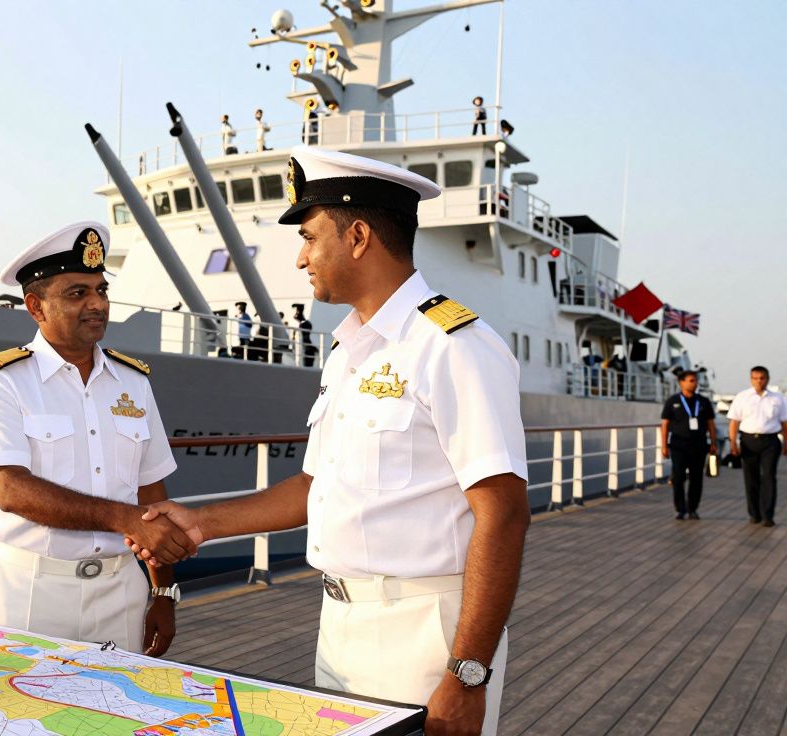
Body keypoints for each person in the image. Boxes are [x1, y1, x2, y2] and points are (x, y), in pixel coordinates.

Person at [130, 147, 529, 735]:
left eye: (311, 237)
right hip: (339, 627)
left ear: (359, 236)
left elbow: (504, 513)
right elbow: (312, 488)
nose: (300, 258)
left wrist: (468, 672)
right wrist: (201, 524)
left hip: (424, 634)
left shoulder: (452, 345)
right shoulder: (350, 354)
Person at [0, 221, 193, 655]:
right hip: (30, 591)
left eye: (101, 290)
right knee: (22, 718)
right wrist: (120, 519)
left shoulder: (133, 382)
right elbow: (11, 490)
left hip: (119, 590)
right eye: (78, 293)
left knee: (116, 715)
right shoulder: (3, 381)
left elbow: (150, 491)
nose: (97, 304)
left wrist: (162, 593)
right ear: (35, 307)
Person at [728, 366, 787, 527]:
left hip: (770, 441)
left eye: (762, 378)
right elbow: (734, 421)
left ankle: (768, 515)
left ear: (767, 379)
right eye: (755, 378)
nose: (759, 381)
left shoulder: (778, 398)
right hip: (748, 441)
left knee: (769, 477)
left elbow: (784, 422)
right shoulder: (742, 397)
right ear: (751, 379)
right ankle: (754, 514)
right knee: (751, 478)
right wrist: (733, 443)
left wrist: (786, 443)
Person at [660, 370, 718, 520]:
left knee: (696, 478)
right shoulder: (672, 401)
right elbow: (665, 424)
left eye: (695, 380)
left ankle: (693, 508)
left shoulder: (703, 401)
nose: (695, 383)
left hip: (698, 445)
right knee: (678, 477)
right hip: (679, 445)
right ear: (682, 382)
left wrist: (713, 443)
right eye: (691, 380)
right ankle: (680, 508)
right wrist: (664, 446)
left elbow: (711, 424)